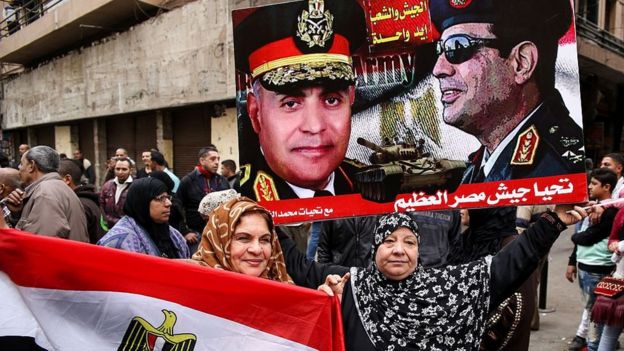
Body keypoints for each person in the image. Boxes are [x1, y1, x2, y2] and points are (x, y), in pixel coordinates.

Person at [280, 207, 585, 351]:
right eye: (389, 241)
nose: (399, 250)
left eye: (409, 242)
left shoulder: (447, 287)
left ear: (418, 250)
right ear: (374, 249)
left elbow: (509, 265)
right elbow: (298, 265)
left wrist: (554, 223)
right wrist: (266, 219)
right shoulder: (351, 285)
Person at [430, 0, 585, 183]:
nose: (438, 69)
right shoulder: (478, 166)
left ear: (521, 63)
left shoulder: (564, 172)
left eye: (456, 47)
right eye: (440, 50)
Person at [234, 0, 366, 201]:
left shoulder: (369, 185)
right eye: (290, 103)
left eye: (331, 100)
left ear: (351, 100)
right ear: (255, 112)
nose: (314, 127)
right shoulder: (243, 200)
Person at [567, 168, 619, 350]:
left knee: (596, 312)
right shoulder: (594, 207)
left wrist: (574, 238)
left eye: (594, 184)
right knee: (591, 309)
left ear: (607, 187)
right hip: (586, 264)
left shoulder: (610, 211)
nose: (589, 186)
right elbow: (583, 233)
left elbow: (588, 236)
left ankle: (593, 345)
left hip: (597, 267)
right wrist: (572, 262)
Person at [191, 196, 292, 283]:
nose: (256, 250)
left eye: (265, 240)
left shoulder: (281, 282)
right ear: (219, 242)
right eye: (243, 238)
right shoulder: (188, 284)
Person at [4, 145, 88, 242]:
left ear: (31, 165)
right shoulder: (56, 187)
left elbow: (41, 244)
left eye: (21, 164)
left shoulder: (45, 193)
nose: (19, 168)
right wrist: (17, 214)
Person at [97, 177, 189, 259]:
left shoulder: (173, 234)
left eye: (168, 197)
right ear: (142, 203)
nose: (168, 203)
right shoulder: (117, 242)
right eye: (161, 198)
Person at [177, 146, 229, 252]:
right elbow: (176, 206)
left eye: (218, 159)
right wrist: (185, 231)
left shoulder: (222, 181)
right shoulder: (188, 181)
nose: (217, 162)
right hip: (197, 237)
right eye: (213, 159)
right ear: (202, 160)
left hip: (220, 235)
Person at [58, 159, 105, 244]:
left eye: (55, 179)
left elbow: (76, 242)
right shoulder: (88, 199)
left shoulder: (80, 205)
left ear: (67, 179)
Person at [99, 157, 133, 228]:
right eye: (117, 169)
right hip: (108, 228)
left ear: (131, 170)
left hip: (127, 228)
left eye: (124, 169)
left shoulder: (135, 187)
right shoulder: (107, 185)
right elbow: (101, 205)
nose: (120, 172)